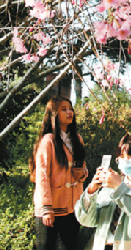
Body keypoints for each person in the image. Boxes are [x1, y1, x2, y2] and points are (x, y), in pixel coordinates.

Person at [76, 131, 131, 250]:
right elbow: (87, 221)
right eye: (122, 157)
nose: (126, 161)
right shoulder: (108, 185)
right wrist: (91, 191)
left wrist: (119, 187)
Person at [33, 96, 88, 250]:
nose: (69, 112)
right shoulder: (48, 141)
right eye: (63, 109)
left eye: (70, 109)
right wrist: (46, 208)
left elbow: (83, 167)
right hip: (50, 209)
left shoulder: (77, 139)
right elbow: (42, 176)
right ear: (54, 114)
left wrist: (82, 173)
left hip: (72, 209)